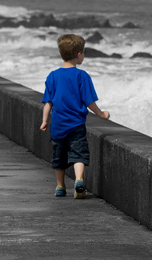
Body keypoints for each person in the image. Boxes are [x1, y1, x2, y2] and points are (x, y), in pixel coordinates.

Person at [40, 34, 110, 199]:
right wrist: (101, 113)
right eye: (83, 52)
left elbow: (48, 103)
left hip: (57, 125)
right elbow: (89, 101)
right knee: (79, 153)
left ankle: (60, 186)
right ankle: (79, 180)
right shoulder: (81, 76)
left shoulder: (53, 76)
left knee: (59, 156)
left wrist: (44, 121)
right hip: (76, 125)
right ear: (79, 54)